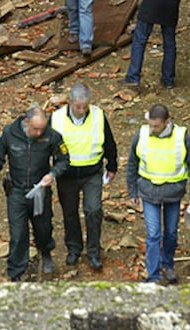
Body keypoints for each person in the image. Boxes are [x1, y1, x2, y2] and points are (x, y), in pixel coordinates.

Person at [0, 105, 69, 282]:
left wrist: (52, 174)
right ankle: (15, 271)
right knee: (18, 233)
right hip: (16, 191)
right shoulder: (9, 134)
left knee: (43, 228)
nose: (39, 133)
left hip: (40, 191)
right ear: (25, 122)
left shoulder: (51, 136)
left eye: (42, 128)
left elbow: (63, 160)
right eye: (35, 128)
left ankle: (45, 253)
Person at [126, 104, 190, 284]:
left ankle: (167, 264)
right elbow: (132, 164)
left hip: (172, 193)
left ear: (167, 122)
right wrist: (132, 191)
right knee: (153, 234)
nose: (152, 129)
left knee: (171, 233)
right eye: (150, 125)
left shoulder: (182, 137)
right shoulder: (141, 135)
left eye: (156, 126)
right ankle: (153, 274)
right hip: (148, 192)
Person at [50, 83, 117, 270]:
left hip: (92, 173)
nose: (81, 110)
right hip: (66, 175)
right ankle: (74, 248)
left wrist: (112, 166)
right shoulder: (56, 119)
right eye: (77, 106)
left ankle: (93, 251)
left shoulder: (98, 116)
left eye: (84, 106)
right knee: (69, 213)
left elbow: (109, 143)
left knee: (93, 210)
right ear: (69, 101)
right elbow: (46, 145)